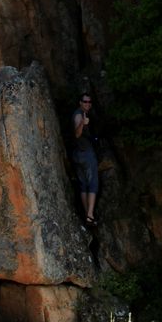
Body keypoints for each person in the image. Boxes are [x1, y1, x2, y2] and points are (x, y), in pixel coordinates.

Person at [71, 93, 99, 226]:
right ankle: (90, 215)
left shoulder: (81, 113)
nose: (88, 103)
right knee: (93, 184)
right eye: (85, 101)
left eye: (89, 101)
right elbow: (77, 134)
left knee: (83, 186)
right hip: (86, 154)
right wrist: (83, 122)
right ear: (80, 102)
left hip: (77, 155)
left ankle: (88, 215)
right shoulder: (79, 114)